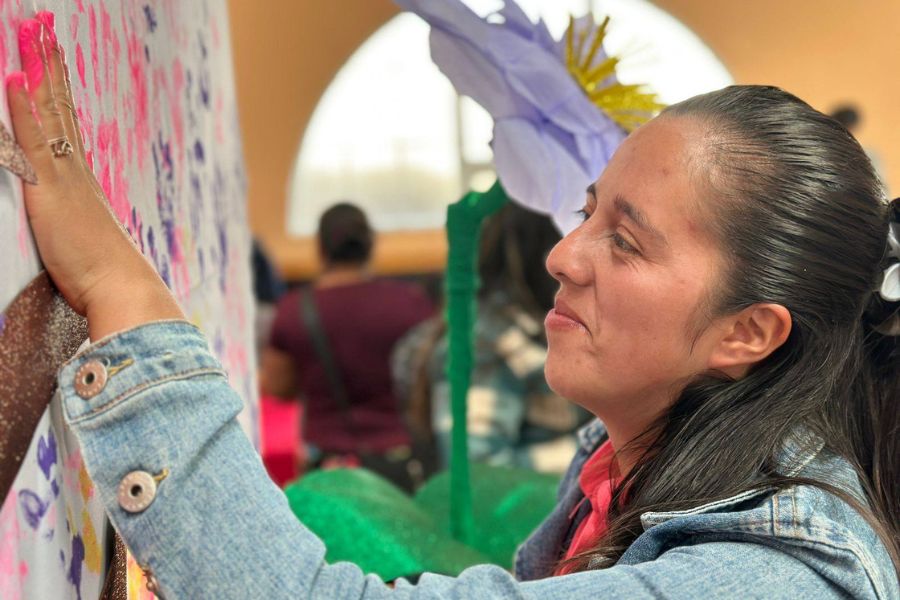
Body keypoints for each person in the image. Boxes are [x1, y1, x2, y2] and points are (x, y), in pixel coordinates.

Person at [7, 18, 898, 598]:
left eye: (626, 242)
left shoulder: (767, 579)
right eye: (586, 212)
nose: (562, 255)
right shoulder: (627, 464)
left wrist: (123, 290)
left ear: (749, 332)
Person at [392, 203, 589, 473]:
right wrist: (601, 453)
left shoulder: (527, 322)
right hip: (534, 497)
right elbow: (478, 472)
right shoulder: (488, 341)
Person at [260, 202, 434, 490]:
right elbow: (430, 376)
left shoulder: (293, 311)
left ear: (320, 248)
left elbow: (278, 387)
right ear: (371, 245)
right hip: (401, 463)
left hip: (330, 468)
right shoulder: (411, 302)